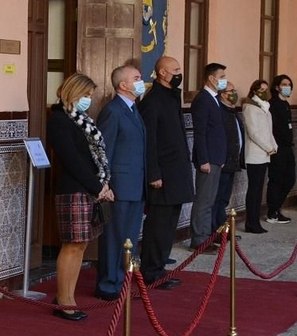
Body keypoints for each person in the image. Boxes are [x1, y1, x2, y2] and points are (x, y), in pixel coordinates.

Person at [47, 73, 111, 319]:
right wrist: (97, 187)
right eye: (85, 95)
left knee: (81, 244)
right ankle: (64, 300)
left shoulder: (82, 119)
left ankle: (68, 294)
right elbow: (72, 159)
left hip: (89, 189)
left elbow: (95, 156)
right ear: (72, 92)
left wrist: (103, 184)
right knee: (72, 245)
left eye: (90, 95)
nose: (89, 99)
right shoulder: (60, 120)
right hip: (73, 190)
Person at [139, 56, 193, 289]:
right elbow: (149, 142)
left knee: (169, 224)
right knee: (158, 224)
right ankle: (151, 270)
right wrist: (153, 174)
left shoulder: (171, 97)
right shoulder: (153, 101)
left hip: (176, 172)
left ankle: (159, 266)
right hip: (162, 175)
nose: (179, 73)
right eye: (175, 70)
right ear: (162, 73)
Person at [93, 64, 145, 301]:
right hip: (120, 186)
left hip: (136, 184)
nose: (140, 81)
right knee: (115, 237)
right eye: (136, 78)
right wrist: (106, 184)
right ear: (123, 85)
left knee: (129, 237)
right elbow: (105, 151)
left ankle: (123, 280)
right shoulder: (113, 111)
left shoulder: (134, 109)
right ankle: (108, 283)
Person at [189, 62, 230, 249]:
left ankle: (206, 236)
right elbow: (201, 132)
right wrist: (204, 159)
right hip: (208, 160)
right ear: (212, 78)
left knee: (211, 199)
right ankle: (199, 239)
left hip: (216, 158)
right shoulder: (202, 99)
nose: (224, 81)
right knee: (204, 201)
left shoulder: (214, 99)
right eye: (222, 77)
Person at [241, 80, 278, 235]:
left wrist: (274, 145)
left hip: (265, 154)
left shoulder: (265, 107)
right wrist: (268, 147)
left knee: (259, 189)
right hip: (255, 154)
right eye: (260, 89)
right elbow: (253, 132)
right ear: (254, 90)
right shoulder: (249, 107)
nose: (263, 92)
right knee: (254, 189)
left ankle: (255, 221)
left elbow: (268, 131)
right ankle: (251, 222)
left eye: (265, 89)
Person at [213, 84, 245, 231]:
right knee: (218, 199)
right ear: (222, 94)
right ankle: (216, 231)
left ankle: (222, 229)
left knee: (224, 198)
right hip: (223, 162)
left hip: (233, 161)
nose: (234, 93)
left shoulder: (232, 111)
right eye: (231, 91)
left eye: (234, 90)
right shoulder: (220, 111)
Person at [266, 74, 296, 224]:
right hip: (277, 148)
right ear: (277, 87)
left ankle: (277, 207)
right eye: (284, 84)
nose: (287, 87)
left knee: (290, 179)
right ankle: (272, 211)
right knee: (276, 180)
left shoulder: (286, 104)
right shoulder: (273, 104)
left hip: (288, 147)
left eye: (289, 84)